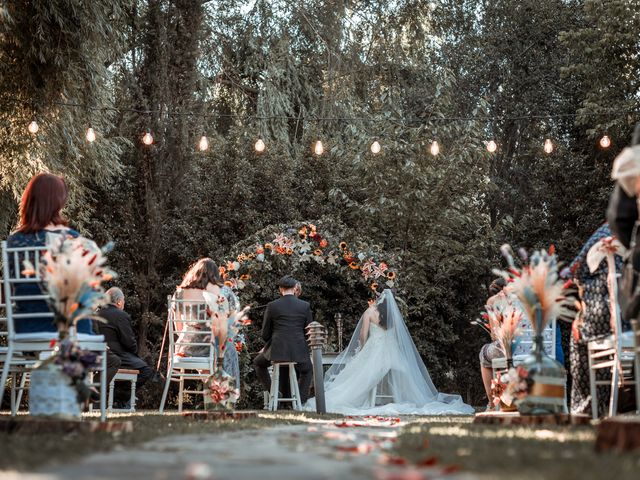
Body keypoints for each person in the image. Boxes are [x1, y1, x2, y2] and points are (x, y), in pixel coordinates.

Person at [5, 173, 121, 392]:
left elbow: (10, 291)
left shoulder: (14, 241)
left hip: (25, 326)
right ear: (57, 203)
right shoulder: (70, 238)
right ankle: (76, 390)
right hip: (67, 329)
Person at [305, 289, 474, 415]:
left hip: (374, 350)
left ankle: (366, 398)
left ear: (378, 298)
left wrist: (361, 350)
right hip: (391, 352)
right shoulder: (393, 316)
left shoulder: (370, 312)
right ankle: (395, 397)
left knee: (358, 374)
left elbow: (363, 335)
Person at [566, 223, 626, 416]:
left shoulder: (610, 229)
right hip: (633, 318)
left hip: (611, 315)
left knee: (580, 335)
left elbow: (576, 269)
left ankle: (588, 407)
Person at [172, 258, 240, 388]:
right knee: (228, 349)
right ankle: (223, 396)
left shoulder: (179, 293)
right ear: (215, 274)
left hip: (186, 346)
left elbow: (178, 327)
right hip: (213, 344)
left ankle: (213, 383)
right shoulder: (224, 292)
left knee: (213, 359)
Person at [253, 276, 314, 404]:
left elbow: (265, 334)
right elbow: (309, 331)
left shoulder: (272, 306)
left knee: (258, 363)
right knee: (307, 370)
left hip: (277, 351)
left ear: (281, 289)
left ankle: (275, 393)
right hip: (298, 350)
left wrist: (268, 345)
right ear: (295, 288)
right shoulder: (304, 306)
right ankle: (300, 401)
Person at [97, 287, 155, 407]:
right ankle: (120, 396)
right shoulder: (121, 315)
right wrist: (134, 353)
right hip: (118, 357)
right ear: (119, 302)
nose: (123, 304)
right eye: (123, 301)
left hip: (99, 356)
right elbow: (129, 343)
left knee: (139, 364)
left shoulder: (97, 314)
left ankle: (117, 397)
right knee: (146, 370)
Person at [478, 277, 508, 408]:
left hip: (506, 349)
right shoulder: (522, 301)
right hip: (529, 350)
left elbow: (496, 334)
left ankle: (492, 402)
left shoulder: (493, 301)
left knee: (484, 354)